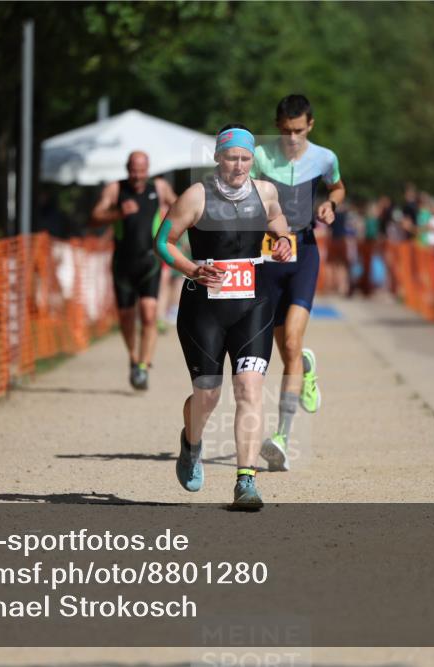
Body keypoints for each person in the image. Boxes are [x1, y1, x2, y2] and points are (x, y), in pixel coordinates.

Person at [154, 125, 292, 508]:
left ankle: (245, 481)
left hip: (254, 304)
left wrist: (281, 240)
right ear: (218, 157)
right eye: (231, 157)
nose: (238, 165)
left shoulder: (265, 192)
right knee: (208, 394)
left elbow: (279, 221)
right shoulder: (196, 197)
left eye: (245, 158)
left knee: (249, 388)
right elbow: (162, 243)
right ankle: (191, 442)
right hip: (205, 308)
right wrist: (191, 269)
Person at [250, 94, 346, 472]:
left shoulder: (324, 157)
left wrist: (330, 205)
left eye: (299, 131)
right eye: (287, 131)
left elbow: (337, 187)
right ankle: (304, 367)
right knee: (286, 352)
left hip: (303, 252)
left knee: (291, 342)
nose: (292, 139)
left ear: (311, 126)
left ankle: (282, 439)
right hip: (268, 256)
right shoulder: (259, 156)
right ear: (278, 127)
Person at [91, 151, 178, 390]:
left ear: (148, 169)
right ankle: (133, 357)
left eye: (141, 170)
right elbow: (95, 216)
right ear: (127, 168)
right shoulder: (115, 189)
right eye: (133, 170)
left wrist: (171, 229)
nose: (137, 175)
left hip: (150, 261)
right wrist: (118, 213)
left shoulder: (159, 187)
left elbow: (181, 206)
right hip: (122, 264)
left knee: (149, 314)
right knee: (127, 318)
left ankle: (143, 366)